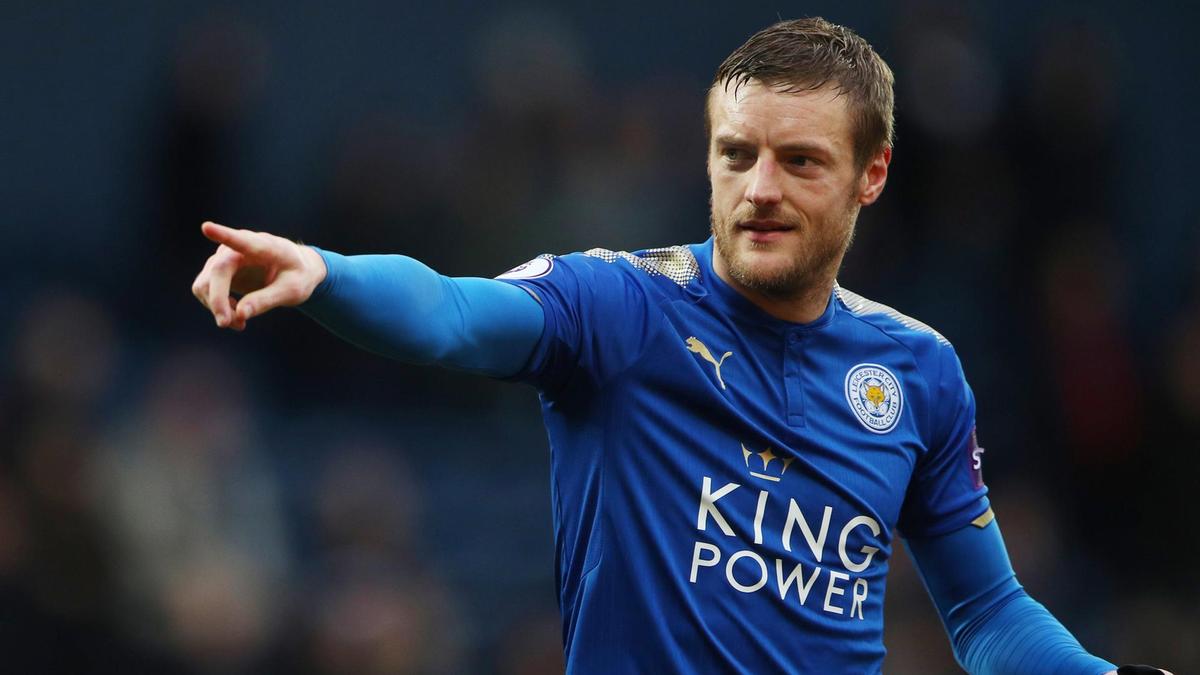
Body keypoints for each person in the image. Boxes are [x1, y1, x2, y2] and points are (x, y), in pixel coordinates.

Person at [191, 17, 1171, 675]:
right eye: (737, 155)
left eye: (800, 161)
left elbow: (988, 615)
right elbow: (450, 314)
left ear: (870, 176)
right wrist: (328, 273)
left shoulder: (918, 370)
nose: (760, 189)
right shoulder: (621, 305)